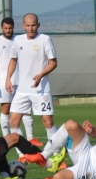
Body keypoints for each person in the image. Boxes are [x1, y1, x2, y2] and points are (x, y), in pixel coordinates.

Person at [5, 13, 66, 169]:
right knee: (13, 121)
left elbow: (54, 62)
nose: (31, 28)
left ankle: (55, 155)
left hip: (41, 90)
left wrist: (41, 75)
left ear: (38, 25)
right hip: (22, 90)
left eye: (33, 25)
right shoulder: (18, 41)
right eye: (28, 25)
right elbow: (13, 60)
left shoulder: (45, 39)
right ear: (23, 26)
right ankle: (23, 155)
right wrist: (8, 78)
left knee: (48, 122)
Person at [0, 17, 43, 164]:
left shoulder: (19, 40)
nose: (8, 30)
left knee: (25, 110)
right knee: (6, 108)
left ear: (14, 27)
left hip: (21, 80)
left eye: (10, 28)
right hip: (3, 80)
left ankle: (30, 139)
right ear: (2, 28)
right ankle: (7, 139)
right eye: (5, 28)